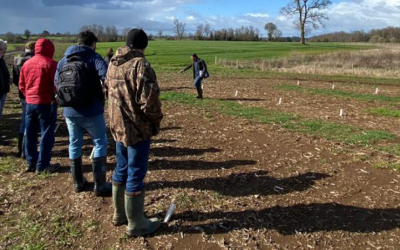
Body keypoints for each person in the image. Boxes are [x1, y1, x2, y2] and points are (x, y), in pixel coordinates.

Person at [106, 29, 163, 237]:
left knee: (121, 167)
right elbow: (149, 101)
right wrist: (156, 121)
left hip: (117, 126)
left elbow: (106, 90)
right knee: (136, 172)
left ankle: (120, 214)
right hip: (136, 128)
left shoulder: (112, 62)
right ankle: (136, 223)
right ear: (143, 45)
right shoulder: (141, 65)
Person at [55, 31, 111, 196]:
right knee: (100, 142)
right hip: (92, 109)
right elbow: (106, 78)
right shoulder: (94, 58)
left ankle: (78, 182)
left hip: (69, 110)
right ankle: (100, 185)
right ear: (93, 43)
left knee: (74, 143)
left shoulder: (63, 61)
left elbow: (56, 82)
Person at [19, 39, 58, 174]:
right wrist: (55, 99)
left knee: (30, 134)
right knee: (46, 134)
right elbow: (55, 86)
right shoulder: (51, 64)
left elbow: (21, 84)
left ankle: (31, 162)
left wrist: (28, 95)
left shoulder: (26, 63)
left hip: (30, 103)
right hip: (46, 103)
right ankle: (43, 164)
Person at [13, 41, 36, 157]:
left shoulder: (18, 60)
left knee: (24, 120)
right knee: (30, 123)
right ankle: (26, 151)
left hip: (22, 94)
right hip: (34, 95)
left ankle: (20, 148)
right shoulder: (34, 60)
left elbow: (15, 80)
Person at [0, 39, 11, 121]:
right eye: (4, 48)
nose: (5, 50)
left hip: (3, 90)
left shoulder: (1, 60)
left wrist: (8, 79)